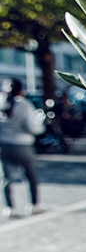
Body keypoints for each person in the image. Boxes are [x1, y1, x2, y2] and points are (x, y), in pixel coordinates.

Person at [0, 79, 45, 217]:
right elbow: (31, 126)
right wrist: (41, 128)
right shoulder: (24, 104)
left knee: (7, 178)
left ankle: (10, 207)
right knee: (30, 175)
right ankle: (34, 205)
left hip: (5, 145)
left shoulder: (2, 102)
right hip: (22, 144)